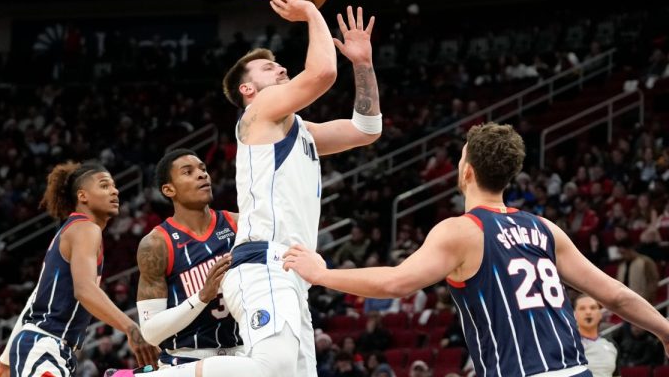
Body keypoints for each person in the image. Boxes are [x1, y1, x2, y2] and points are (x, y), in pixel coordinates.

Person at [283, 122, 669, 377]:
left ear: (466, 172)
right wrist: (665, 332)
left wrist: (321, 273)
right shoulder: (545, 229)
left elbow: (396, 283)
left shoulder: (461, 231)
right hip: (574, 370)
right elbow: (615, 295)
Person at [151, 0, 382, 377]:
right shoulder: (258, 113)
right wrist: (310, 11)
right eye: (266, 68)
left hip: (294, 274)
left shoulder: (299, 129)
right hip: (263, 264)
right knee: (268, 367)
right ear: (248, 89)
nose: (279, 68)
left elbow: (367, 129)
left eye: (277, 65)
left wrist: (362, 64)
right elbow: (323, 72)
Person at [0, 161, 157, 377]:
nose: (115, 190)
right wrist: (131, 328)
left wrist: (2, 365)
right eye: (104, 186)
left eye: (114, 186)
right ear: (82, 196)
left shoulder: (73, 232)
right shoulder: (86, 229)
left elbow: (35, 300)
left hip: (50, 348)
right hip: (45, 346)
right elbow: (84, 290)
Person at [132, 149, 243, 368]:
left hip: (242, 354)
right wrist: (201, 297)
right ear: (168, 189)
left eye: (203, 169)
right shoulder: (156, 244)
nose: (202, 175)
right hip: (186, 359)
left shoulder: (238, 224)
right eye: (188, 172)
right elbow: (151, 333)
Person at [573, 295, 618, 377]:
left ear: (600, 314)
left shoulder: (611, 345)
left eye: (593, 308)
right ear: (574, 315)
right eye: (582, 308)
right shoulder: (568, 345)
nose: (588, 312)